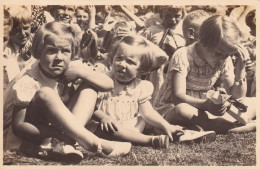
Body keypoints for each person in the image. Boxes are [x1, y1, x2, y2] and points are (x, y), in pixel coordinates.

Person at [3, 22, 132, 162]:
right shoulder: (29, 80)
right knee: (45, 93)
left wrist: (80, 73)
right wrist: (56, 132)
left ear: (72, 52)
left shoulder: (69, 71)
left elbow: (108, 84)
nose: (59, 57)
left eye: (65, 51)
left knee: (90, 88)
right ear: (39, 52)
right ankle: (94, 143)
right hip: (35, 136)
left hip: (63, 133)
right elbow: (19, 127)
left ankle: (66, 142)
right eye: (51, 51)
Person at [90, 35, 216, 149]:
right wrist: (103, 117)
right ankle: (151, 141)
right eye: (119, 58)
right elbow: (91, 106)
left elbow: (148, 112)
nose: (122, 64)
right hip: (107, 125)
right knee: (113, 129)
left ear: (141, 70)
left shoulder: (140, 86)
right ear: (112, 58)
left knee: (154, 125)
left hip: (130, 124)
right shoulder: (103, 80)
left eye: (130, 62)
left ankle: (182, 134)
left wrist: (166, 125)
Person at [154, 15, 256, 134]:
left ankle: (215, 124)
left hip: (206, 107)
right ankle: (231, 127)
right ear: (203, 42)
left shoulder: (223, 59)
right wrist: (205, 105)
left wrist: (240, 70)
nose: (223, 58)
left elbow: (237, 96)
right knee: (182, 111)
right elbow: (178, 97)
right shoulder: (183, 55)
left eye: (227, 54)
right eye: (218, 53)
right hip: (177, 106)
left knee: (254, 102)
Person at [140, 6, 186, 103]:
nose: (173, 20)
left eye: (177, 16)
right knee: (154, 97)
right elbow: (141, 52)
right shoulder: (151, 31)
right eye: (168, 16)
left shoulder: (183, 33)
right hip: (156, 73)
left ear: (182, 15)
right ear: (161, 15)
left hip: (175, 72)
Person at [4, 6, 36, 88]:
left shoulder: (35, 43)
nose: (22, 34)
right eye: (17, 30)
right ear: (10, 29)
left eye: (26, 28)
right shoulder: (6, 49)